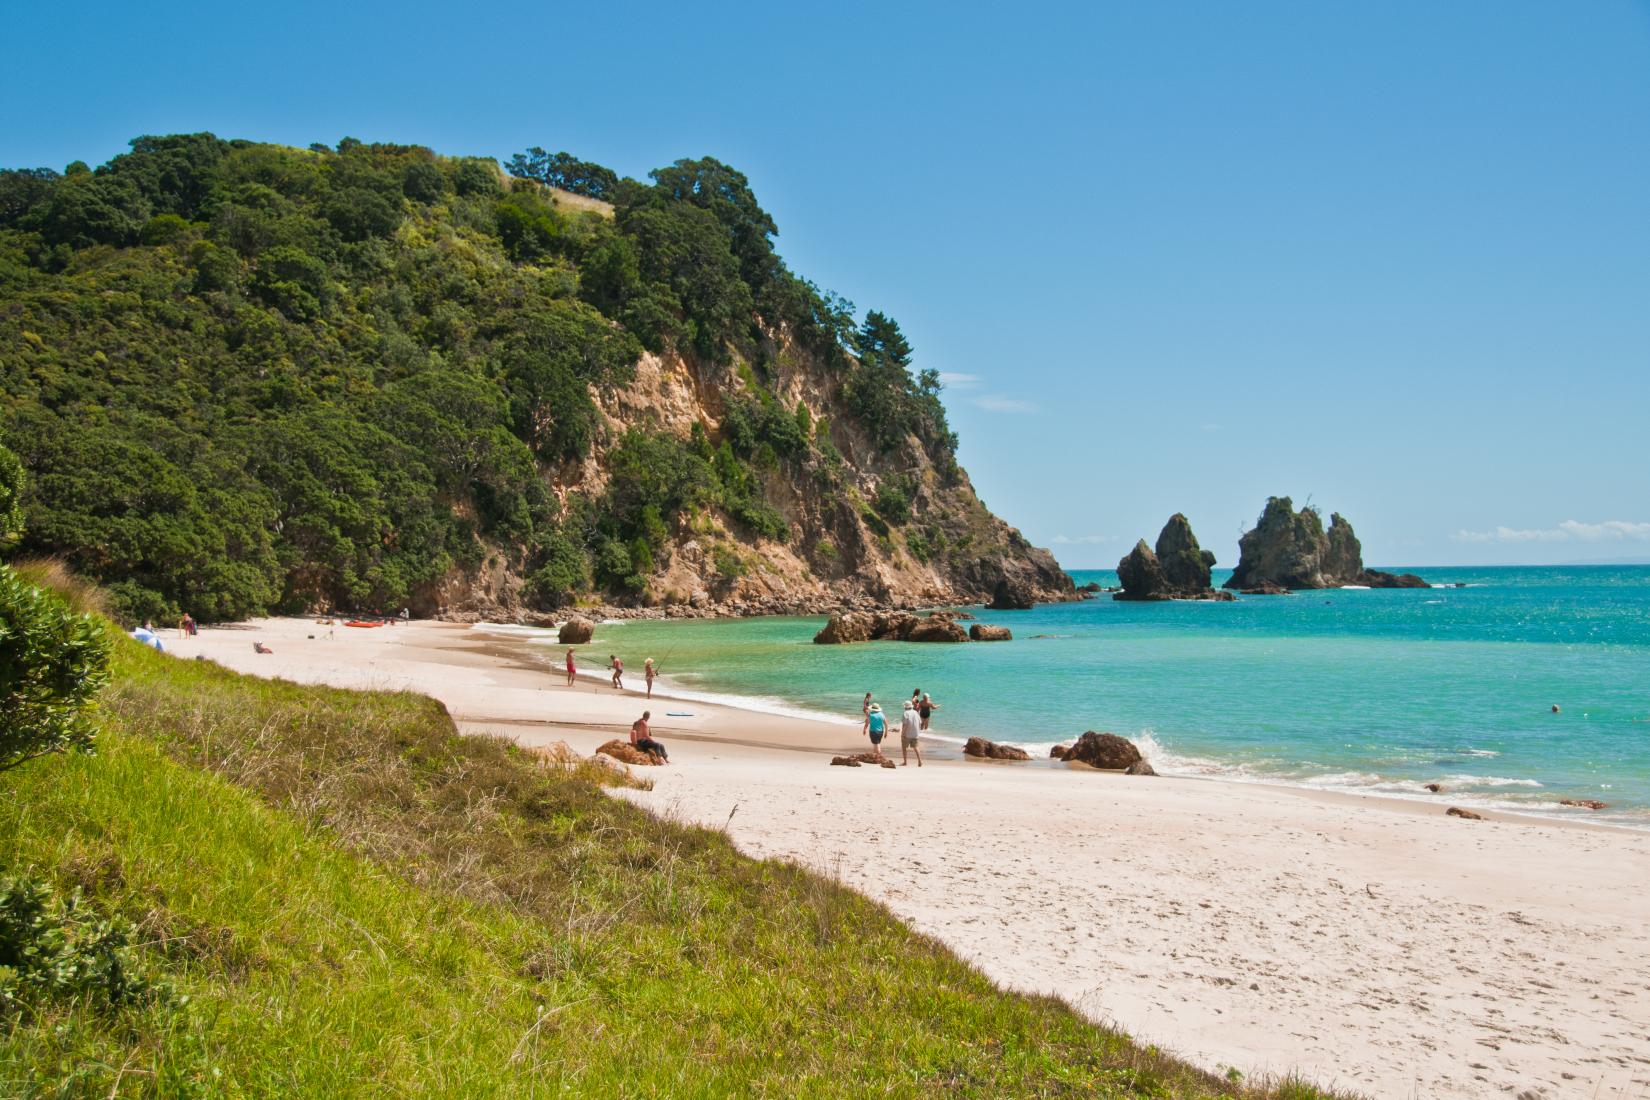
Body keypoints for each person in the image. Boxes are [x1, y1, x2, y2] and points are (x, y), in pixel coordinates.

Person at [900, 700, 924, 767]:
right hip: (915, 733)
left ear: (905, 707)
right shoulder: (916, 712)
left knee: (904, 747)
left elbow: (905, 725)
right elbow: (920, 723)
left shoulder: (905, 713)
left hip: (907, 733)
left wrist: (902, 734)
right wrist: (918, 731)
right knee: (916, 747)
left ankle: (905, 762)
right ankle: (920, 761)